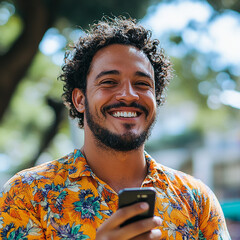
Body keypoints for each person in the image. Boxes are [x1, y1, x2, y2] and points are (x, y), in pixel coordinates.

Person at [0, 16, 231, 239]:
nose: (129, 95)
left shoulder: (197, 200)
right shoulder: (26, 195)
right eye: (109, 82)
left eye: (142, 84)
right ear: (80, 100)